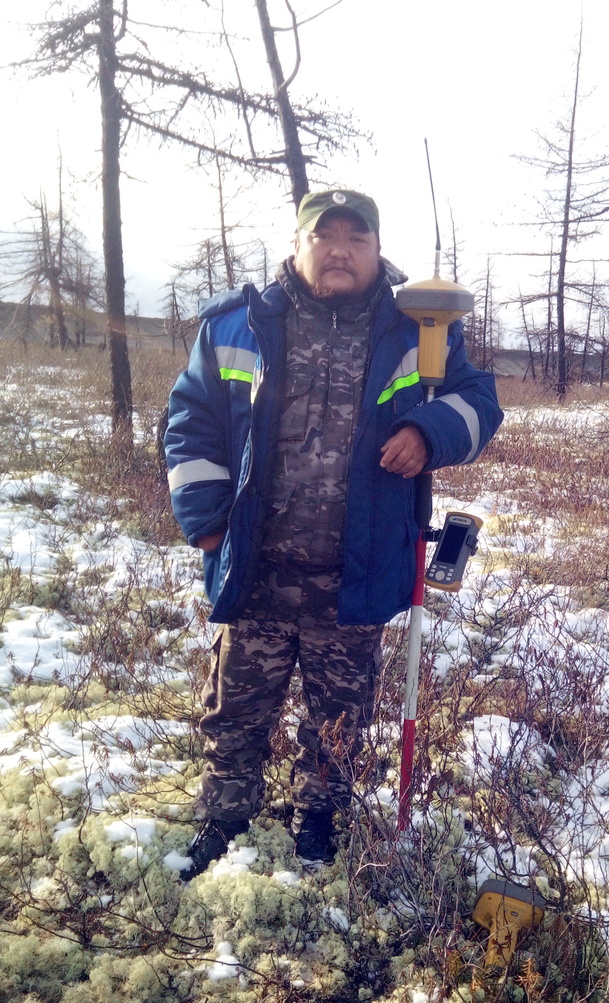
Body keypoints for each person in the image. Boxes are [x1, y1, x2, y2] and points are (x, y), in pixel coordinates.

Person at [165, 189, 503, 877]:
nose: (340, 250)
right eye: (324, 236)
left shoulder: (420, 330)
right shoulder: (237, 325)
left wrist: (427, 431)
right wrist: (206, 524)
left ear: (377, 250)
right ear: (298, 245)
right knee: (236, 706)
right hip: (255, 565)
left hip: (355, 568)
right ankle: (225, 814)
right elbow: (190, 421)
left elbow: (479, 402)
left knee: (340, 714)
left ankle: (318, 817)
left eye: (357, 238)